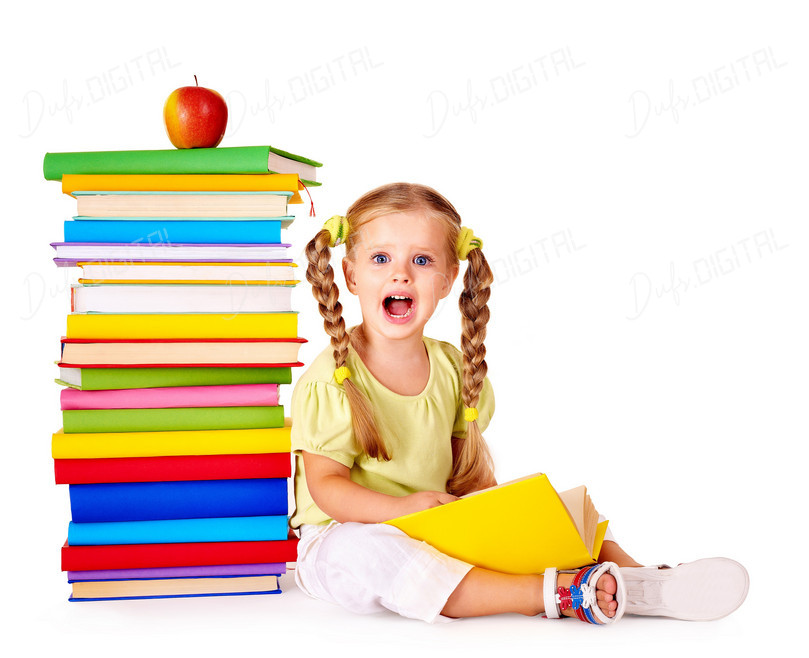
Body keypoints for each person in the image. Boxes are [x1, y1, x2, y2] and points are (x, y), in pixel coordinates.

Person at [289, 182, 748, 625]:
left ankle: (640, 581)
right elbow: (327, 487)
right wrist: (401, 511)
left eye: (422, 260)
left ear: (449, 279)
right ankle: (551, 593)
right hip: (341, 535)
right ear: (350, 275)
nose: (401, 273)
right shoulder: (331, 379)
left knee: (564, 508)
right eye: (381, 258)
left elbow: (467, 474)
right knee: (373, 555)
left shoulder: (450, 368)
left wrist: (502, 513)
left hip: (433, 525)